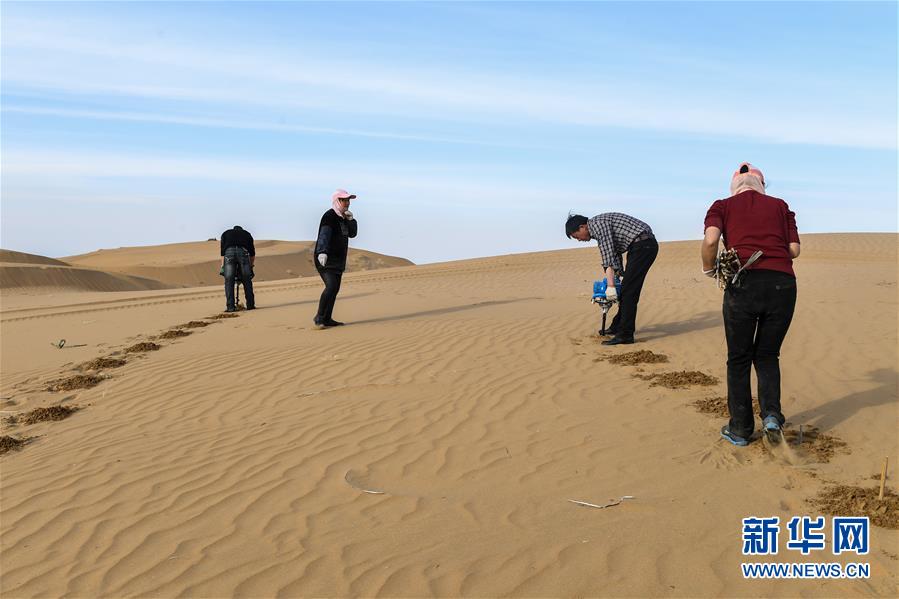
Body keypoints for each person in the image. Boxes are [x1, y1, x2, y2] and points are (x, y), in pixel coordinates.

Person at [701, 163, 800, 446]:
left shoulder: (722, 205)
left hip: (743, 285)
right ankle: (771, 416)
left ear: (734, 186)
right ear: (762, 185)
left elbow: (711, 241)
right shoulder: (781, 206)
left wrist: (709, 269)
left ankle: (741, 428)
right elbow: (794, 249)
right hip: (783, 284)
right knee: (768, 355)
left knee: (739, 358)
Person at [566, 212, 658, 345]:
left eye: (576, 236)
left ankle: (625, 334)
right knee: (626, 290)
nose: (579, 240)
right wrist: (617, 278)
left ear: (582, 227)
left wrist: (611, 286)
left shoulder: (597, 225)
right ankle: (617, 326)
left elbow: (608, 257)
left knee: (629, 293)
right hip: (639, 246)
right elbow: (614, 254)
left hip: (643, 245)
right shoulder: (599, 225)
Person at [313, 189, 358, 328]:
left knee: (335, 288)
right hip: (325, 258)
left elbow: (352, 234)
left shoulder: (344, 217)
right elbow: (324, 234)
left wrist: (351, 221)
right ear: (337, 201)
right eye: (344, 200)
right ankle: (319, 318)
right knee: (331, 286)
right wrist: (322, 251)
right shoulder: (330, 216)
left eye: (348, 200)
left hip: (339, 260)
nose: (347, 203)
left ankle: (327, 318)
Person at [220, 225, 256, 312]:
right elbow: (252, 253)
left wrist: (223, 266)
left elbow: (222, 253)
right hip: (243, 252)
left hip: (228, 253)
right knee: (247, 279)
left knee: (229, 280)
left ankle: (230, 307)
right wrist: (251, 267)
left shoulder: (226, 233)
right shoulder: (247, 234)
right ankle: (250, 305)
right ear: (241, 230)